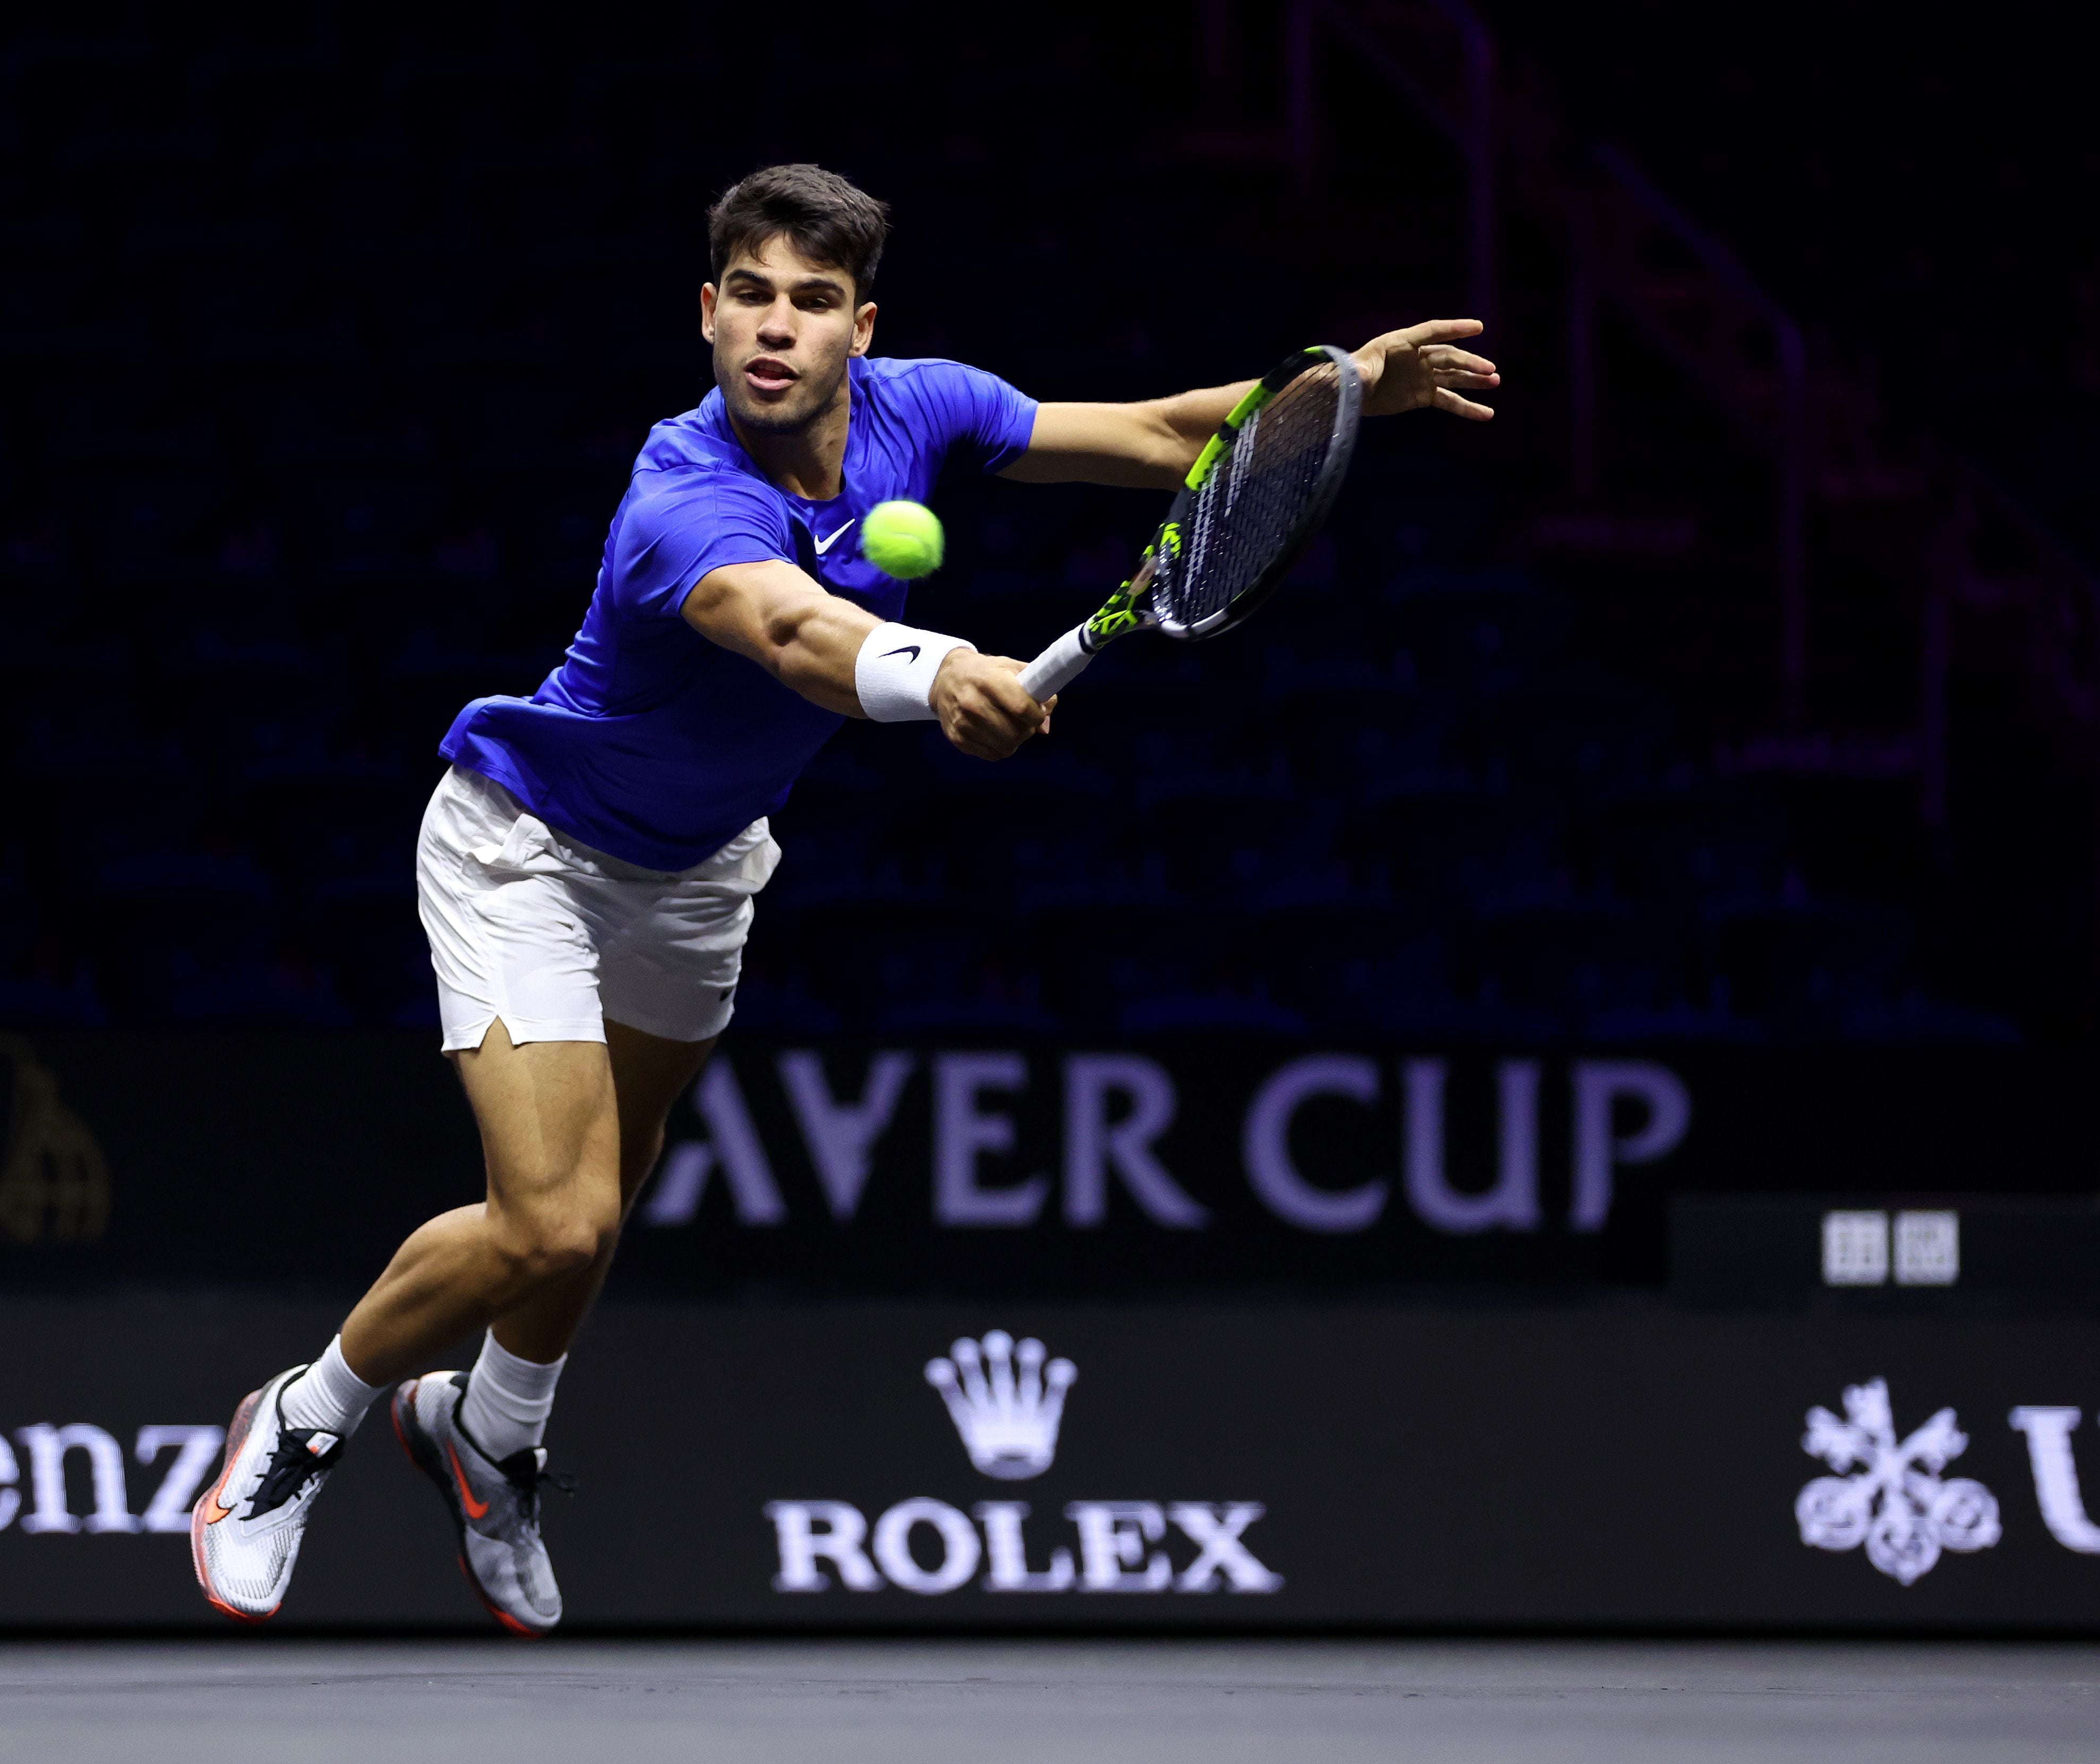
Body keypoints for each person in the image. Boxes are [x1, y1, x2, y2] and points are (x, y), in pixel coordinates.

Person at [189, 163, 1500, 1631]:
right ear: (705, 311)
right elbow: (794, 631)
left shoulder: (922, 405)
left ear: (858, 328)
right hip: (529, 849)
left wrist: (1340, 396)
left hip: (699, 870)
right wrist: (938, 671)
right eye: (747, 293)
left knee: (603, 1203)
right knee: (549, 1221)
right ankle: (301, 1422)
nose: (774, 326)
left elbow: (1148, 435)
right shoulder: (677, 497)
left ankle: (488, 1432)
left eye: (811, 301)